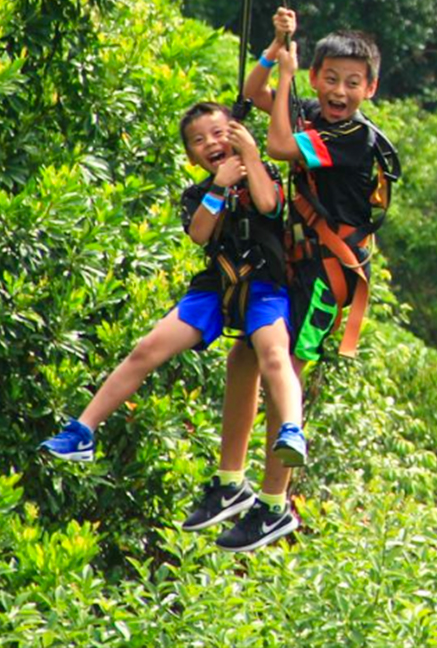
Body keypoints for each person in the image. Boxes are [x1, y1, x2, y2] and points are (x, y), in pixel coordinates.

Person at [182, 8, 398, 553]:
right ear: (317, 77)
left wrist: (287, 84)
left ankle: (274, 505)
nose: (339, 91)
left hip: (327, 274)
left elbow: (277, 145)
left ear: (369, 88)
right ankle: (231, 482)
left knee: (288, 374)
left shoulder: (351, 138)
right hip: (293, 263)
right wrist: (277, 50)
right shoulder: (310, 112)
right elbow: (252, 91)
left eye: (353, 82)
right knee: (243, 358)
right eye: (330, 78)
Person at [40, 104, 307, 496]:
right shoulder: (198, 194)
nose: (210, 144)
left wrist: (248, 154)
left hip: (266, 287)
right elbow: (200, 233)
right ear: (190, 156)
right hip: (216, 287)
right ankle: (83, 431)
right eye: (199, 141)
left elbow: (268, 205)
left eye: (218, 134)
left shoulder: (261, 173)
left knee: (272, 355)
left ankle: (291, 429)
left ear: (234, 134)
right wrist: (219, 186)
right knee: (146, 349)